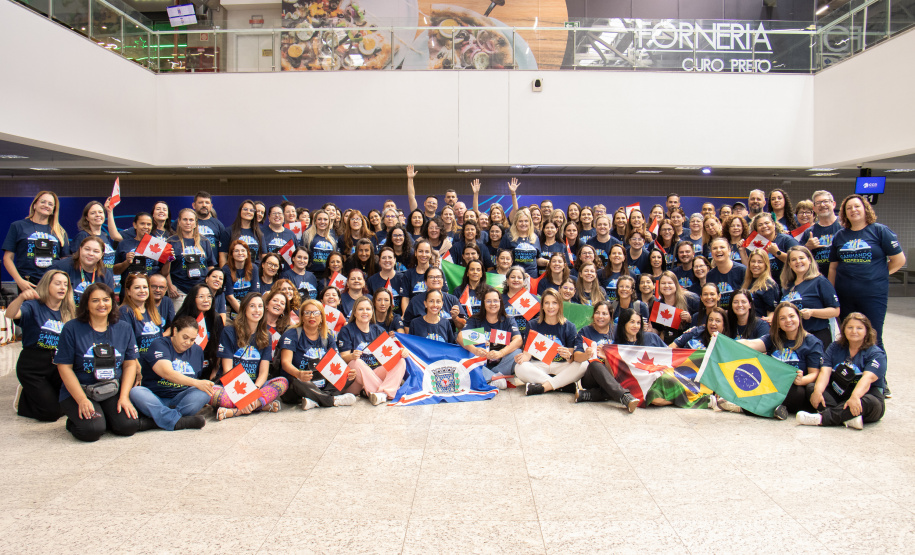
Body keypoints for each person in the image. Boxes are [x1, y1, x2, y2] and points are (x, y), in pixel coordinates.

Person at [54, 283, 140, 442]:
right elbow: (64, 367)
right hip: (81, 390)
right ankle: (74, 421)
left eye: (106, 300)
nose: (102, 304)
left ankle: (104, 417)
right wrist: (81, 399)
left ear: (112, 303)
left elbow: (129, 364)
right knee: (91, 431)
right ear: (86, 304)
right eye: (95, 300)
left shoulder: (124, 328)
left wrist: (124, 397)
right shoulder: (71, 328)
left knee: (128, 426)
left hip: (111, 388)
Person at [828, 194, 904, 355]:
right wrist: (831, 293)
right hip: (845, 295)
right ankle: (851, 374)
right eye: (849, 208)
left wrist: (878, 274)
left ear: (865, 209)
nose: (853, 210)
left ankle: (877, 377)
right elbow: (833, 267)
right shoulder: (840, 236)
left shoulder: (880, 231)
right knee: (848, 336)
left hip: (873, 294)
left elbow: (899, 260)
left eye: (857, 206)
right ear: (844, 213)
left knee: (873, 336)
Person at [797, 313, 886, 430]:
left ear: (867, 331)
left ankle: (821, 418)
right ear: (844, 330)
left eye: (859, 328)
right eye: (850, 327)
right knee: (812, 388)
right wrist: (818, 392)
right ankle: (847, 417)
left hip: (864, 396)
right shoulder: (835, 347)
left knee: (870, 402)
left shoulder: (876, 354)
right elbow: (825, 372)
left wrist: (855, 396)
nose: (854, 331)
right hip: (838, 394)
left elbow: (867, 379)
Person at [9, 270, 75, 421]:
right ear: (47, 285)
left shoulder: (68, 311)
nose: (62, 287)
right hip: (33, 366)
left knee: (68, 405)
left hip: (58, 366)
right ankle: (25, 399)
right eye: (57, 283)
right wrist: (20, 298)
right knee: (51, 414)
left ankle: (33, 393)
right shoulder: (32, 306)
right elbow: (11, 314)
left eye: (65, 284)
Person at [740, 302, 824, 419]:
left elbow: (815, 374)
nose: (788, 320)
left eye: (791, 316)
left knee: (793, 392)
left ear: (798, 317)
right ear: (778, 323)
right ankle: (776, 409)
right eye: (782, 318)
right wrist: (723, 340)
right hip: (773, 386)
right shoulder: (774, 338)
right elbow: (751, 343)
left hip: (795, 390)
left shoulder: (812, 342)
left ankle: (769, 408)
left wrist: (802, 380)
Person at [212, 294, 288, 420]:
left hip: (255, 386)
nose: (257, 310)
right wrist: (244, 395)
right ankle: (259, 405)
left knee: (282, 382)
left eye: (260, 306)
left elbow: (263, 373)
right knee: (210, 392)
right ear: (244, 309)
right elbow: (227, 370)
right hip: (232, 386)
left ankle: (237, 411)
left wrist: (253, 391)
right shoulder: (229, 332)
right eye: (252, 306)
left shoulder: (266, 335)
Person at [129, 316, 212, 431]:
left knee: (205, 393)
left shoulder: (197, 351)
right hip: (156, 396)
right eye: (185, 337)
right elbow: (166, 372)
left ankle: (156, 420)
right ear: (175, 331)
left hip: (180, 399)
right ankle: (180, 420)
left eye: (192, 340)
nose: (188, 343)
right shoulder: (159, 344)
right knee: (136, 392)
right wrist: (197, 383)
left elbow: (196, 378)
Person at [279, 299, 358, 410]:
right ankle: (331, 400)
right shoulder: (292, 334)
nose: (312, 316)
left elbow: (337, 362)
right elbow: (285, 363)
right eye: (307, 313)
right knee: (296, 380)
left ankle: (315, 400)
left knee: (348, 377)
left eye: (316, 313)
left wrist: (348, 372)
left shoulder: (327, 336)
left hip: (320, 380)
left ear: (321, 317)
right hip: (300, 382)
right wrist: (298, 373)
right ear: (302, 316)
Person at [514, 288, 584, 396]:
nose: (550, 307)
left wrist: (568, 356)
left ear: (560, 305)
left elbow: (570, 359)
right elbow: (527, 355)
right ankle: (561, 385)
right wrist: (521, 358)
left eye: (554, 303)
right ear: (542, 306)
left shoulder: (569, 326)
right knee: (519, 367)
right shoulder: (532, 325)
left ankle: (543, 387)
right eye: (547, 303)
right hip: (539, 366)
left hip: (561, 366)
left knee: (583, 365)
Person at [338, 296, 406, 405]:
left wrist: (402, 352)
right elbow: (343, 357)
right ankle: (385, 391)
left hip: (375, 373)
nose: (365, 312)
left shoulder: (378, 330)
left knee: (400, 360)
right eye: (361, 309)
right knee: (356, 362)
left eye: (368, 309)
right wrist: (352, 356)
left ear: (372, 312)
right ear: (354, 313)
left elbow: (390, 357)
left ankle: (381, 394)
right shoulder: (346, 330)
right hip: (355, 379)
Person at [573, 302, 640, 412]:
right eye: (597, 313)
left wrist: (607, 357)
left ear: (611, 316)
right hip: (592, 375)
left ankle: (590, 395)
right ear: (593, 315)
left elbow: (626, 353)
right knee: (596, 364)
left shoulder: (617, 330)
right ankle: (624, 396)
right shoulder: (585, 331)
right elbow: (576, 357)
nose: (600, 316)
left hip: (615, 373)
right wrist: (586, 354)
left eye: (604, 314)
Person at [461, 287, 522, 389]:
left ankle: (490, 377)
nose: (492, 304)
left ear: (500, 302)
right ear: (483, 303)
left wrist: (500, 353)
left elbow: (518, 340)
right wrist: (475, 349)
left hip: (502, 363)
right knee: (464, 353)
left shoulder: (508, 319)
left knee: (518, 352)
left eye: (495, 301)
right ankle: (493, 378)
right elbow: (460, 337)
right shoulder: (475, 319)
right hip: (481, 362)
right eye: (488, 301)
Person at [780, 246, 840, 348]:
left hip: (816, 336)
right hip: (793, 339)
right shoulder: (787, 287)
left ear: (809, 260)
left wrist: (812, 312)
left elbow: (835, 311)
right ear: (789, 264)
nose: (798, 262)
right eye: (793, 260)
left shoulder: (820, 281)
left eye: (801, 258)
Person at [166, 208, 217, 308]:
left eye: (191, 220)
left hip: (201, 290)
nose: (188, 223)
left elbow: (210, 266)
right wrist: (170, 285)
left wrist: (210, 287)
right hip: (179, 290)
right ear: (179, 222)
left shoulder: (204, 241)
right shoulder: (171, 241)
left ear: (195, 223)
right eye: (185, 219)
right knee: (181, 322)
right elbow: (165, 268)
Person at [174, 283, 224, 379]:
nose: (206, 300)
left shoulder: (216, 318)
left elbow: (219, 346)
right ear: (193, 299)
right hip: (185, 366)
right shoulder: (182, 318)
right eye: (201, 297)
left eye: (209, 297)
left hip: (209, 365)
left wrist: (215, 371)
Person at [67, 201, 122, 287]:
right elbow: (75, 262)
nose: (98, 215)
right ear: (87, 218)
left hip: (106, 281)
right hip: (90, 283)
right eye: (93, 213)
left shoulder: (104, 236)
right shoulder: (82, 236)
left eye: (100, 212)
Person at [52, 236, 114, 304]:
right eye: (87, 249)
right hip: (66, 312)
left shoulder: (106, 274)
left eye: (96, 251)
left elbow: (109, 302)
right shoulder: (62, 267)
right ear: (80, 249)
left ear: (101, 255)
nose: (90, 253)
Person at [118, 273, 163, 360]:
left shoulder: (153, 310)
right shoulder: (125, 311)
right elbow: (128, 345)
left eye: (145, 287)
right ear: (128, 291)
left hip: (156, 362)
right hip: (138, 363)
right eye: (137, 287)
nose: (142, 290)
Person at [113, 213, 166, 286]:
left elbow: (165, 273)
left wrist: (169, 260)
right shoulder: (124, 244)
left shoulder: (157, 244)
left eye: (149, 224)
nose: (146, 227)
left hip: (152, 288)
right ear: (135, 225)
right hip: (129, 288)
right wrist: (127, 262)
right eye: (142, 224)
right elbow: (115, 271)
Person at [749, 212, 797, 285]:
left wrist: (777, 253)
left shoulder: (786, 240)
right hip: (765, 286)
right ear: (756, 230)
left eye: (767, 223)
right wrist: (742, 250)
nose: (764, 226)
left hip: (787, 284)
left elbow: (797, 260)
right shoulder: (755, 244)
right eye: (760, 225)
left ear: (774, 224)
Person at [652, 271, 698, 343]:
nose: (666, 286)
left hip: (688, 342)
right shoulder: (658, 305)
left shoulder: (691, 299)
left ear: (676, 285)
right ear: (659, 286)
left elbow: (701, 322)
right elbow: (657, 329)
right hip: (669, 344)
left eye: (670, 283)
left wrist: (690, 319)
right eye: (663, 283)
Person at [804, 190, 841, 276]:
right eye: (818, 203)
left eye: (825, 201)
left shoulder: (845, 226)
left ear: (833, 204)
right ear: (814, 208)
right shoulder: (809, 232)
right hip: (817, 278)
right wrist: (807, 247)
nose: (822, 205)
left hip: (842, 278)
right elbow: (798, 255)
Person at [706, 237, 746, 310]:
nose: (718, 250)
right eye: (715, 248)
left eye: (722, 247)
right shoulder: (710, 275)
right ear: (711, 254)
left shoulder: (742, 270)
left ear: (729, 251)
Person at [222, 241, 259, 319]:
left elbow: (253, 293)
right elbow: (229, 296)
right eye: (236, 251)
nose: (240, 253)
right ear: (231, 254)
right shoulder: (226, 269)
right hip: (231, 308)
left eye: (243, 250)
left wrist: (249, 311)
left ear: (247, 254)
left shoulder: (253, 268)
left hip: (249, 306)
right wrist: (244, 315)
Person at [500, 209, 541, 278]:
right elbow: (500, 258)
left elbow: (537, 259)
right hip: (515, 277)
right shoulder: (508, 237)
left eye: (526, 221)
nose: (523, 224)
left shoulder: (535, 238)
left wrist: (547, 262)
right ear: (516, 223)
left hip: (532, 278)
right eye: (520, 221)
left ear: (530, 223)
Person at [742, 249, 781, 320]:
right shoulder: (747, 282)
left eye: (760, 262)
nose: (755, 265)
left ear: (766, 265)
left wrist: (768, 320)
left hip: (759, 325)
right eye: (753, 261)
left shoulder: (769, 285)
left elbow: (772, 311)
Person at [192, 191, 227, 258]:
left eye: (207, 203)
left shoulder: (218, 224)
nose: (204, 205)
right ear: (194, 205)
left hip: (213, 266)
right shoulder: (186, 222)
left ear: (211, 206)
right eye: (200, 202)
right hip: (191, 264)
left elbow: (223, 251)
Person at [303, 209, 337, 274]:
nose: (322, 222)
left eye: (325, 219)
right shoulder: (307, 236)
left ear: (329, 222)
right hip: (311, 273)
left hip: (327, 274)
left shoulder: (332, 239)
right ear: (315, 221)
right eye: (319, 219)